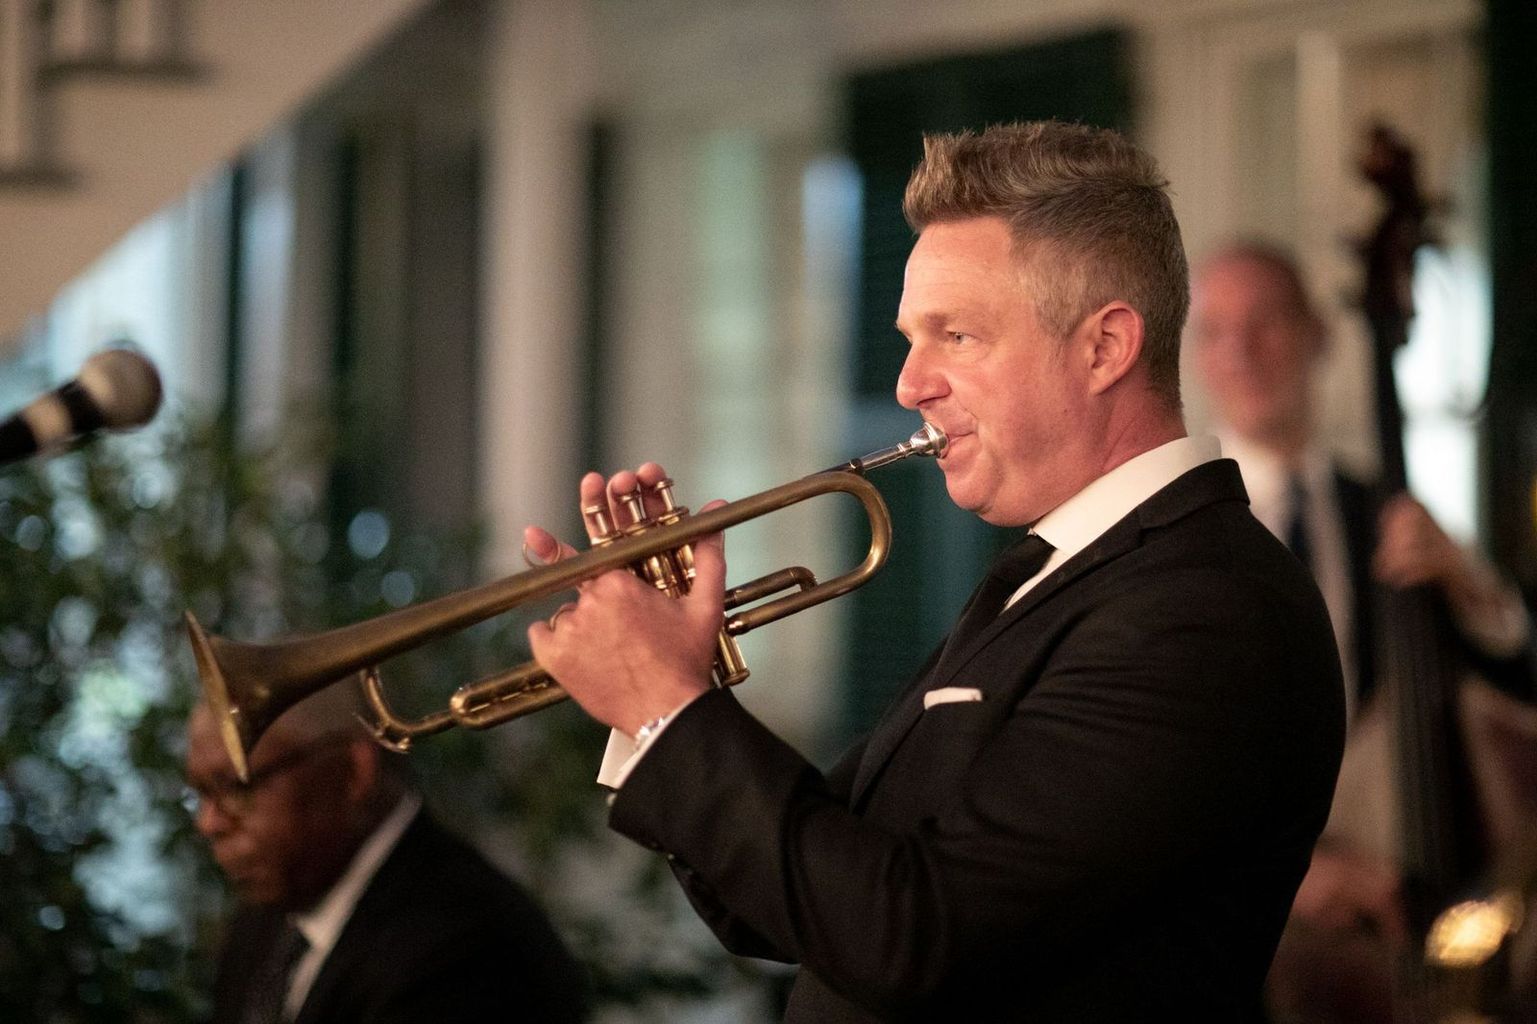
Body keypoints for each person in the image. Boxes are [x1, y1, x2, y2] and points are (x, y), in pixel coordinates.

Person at [522, 121, 1345, 1022]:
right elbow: (789, 905)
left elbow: (914, 940)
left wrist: (665, 704)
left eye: (956, 335)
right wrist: (674, 680)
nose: (909, 384)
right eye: (912, 338)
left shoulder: (1200, 610)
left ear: (1104, 348)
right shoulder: (1063, 575)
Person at [1190, 240, 1535, 1016]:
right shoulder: (1175, 528)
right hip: (1224, 929)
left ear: (1317, 335)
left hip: (1388, 907)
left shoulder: (1384, 512)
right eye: (1215, 331)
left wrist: (1470, 586)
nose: (1241, 352)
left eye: (1265, 323)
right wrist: (1283, 867)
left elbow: (1514, 694)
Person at [184, 684, 589, 1024]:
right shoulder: (270, 911)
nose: (208, 823)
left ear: (353, 770)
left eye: (237, 788)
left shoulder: (472, 948)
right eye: (200, 792)